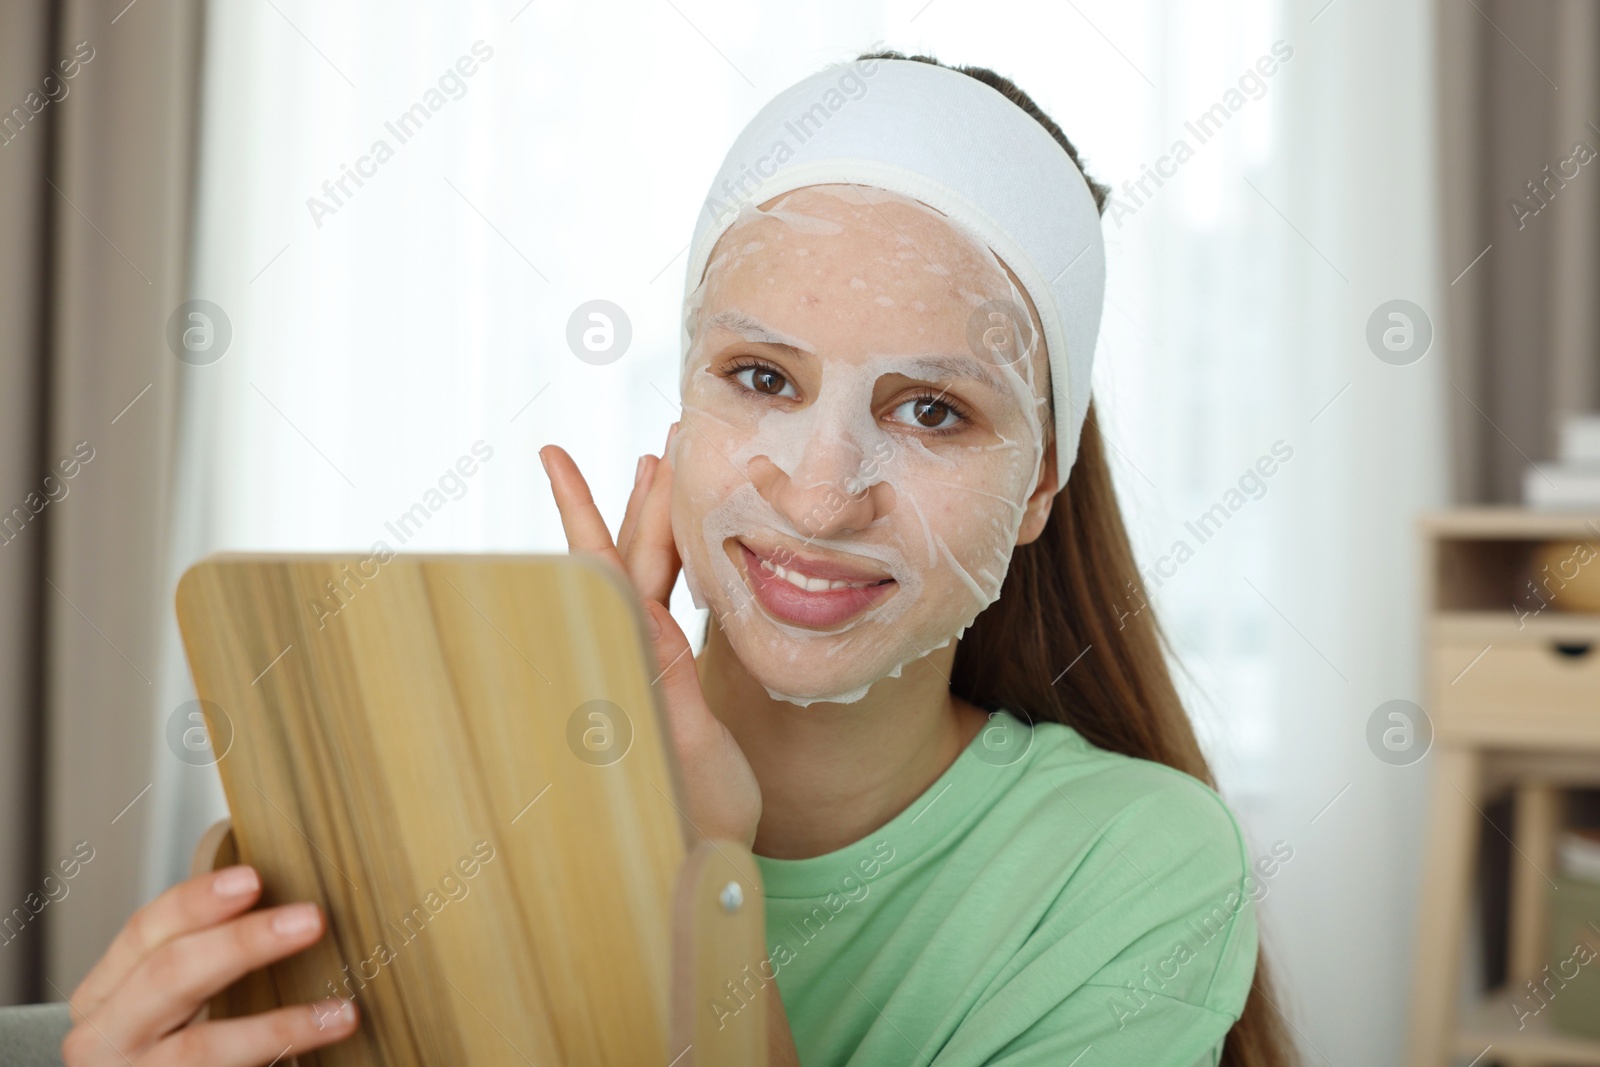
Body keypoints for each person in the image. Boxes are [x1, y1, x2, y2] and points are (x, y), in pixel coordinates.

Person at [61, 50, 1294, 1067]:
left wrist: (700, 876)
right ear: (681, 415)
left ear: (1036, 484)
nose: (819, 492)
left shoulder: (1136, 865)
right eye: (761, 378)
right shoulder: (429, 802)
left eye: (931, 409)